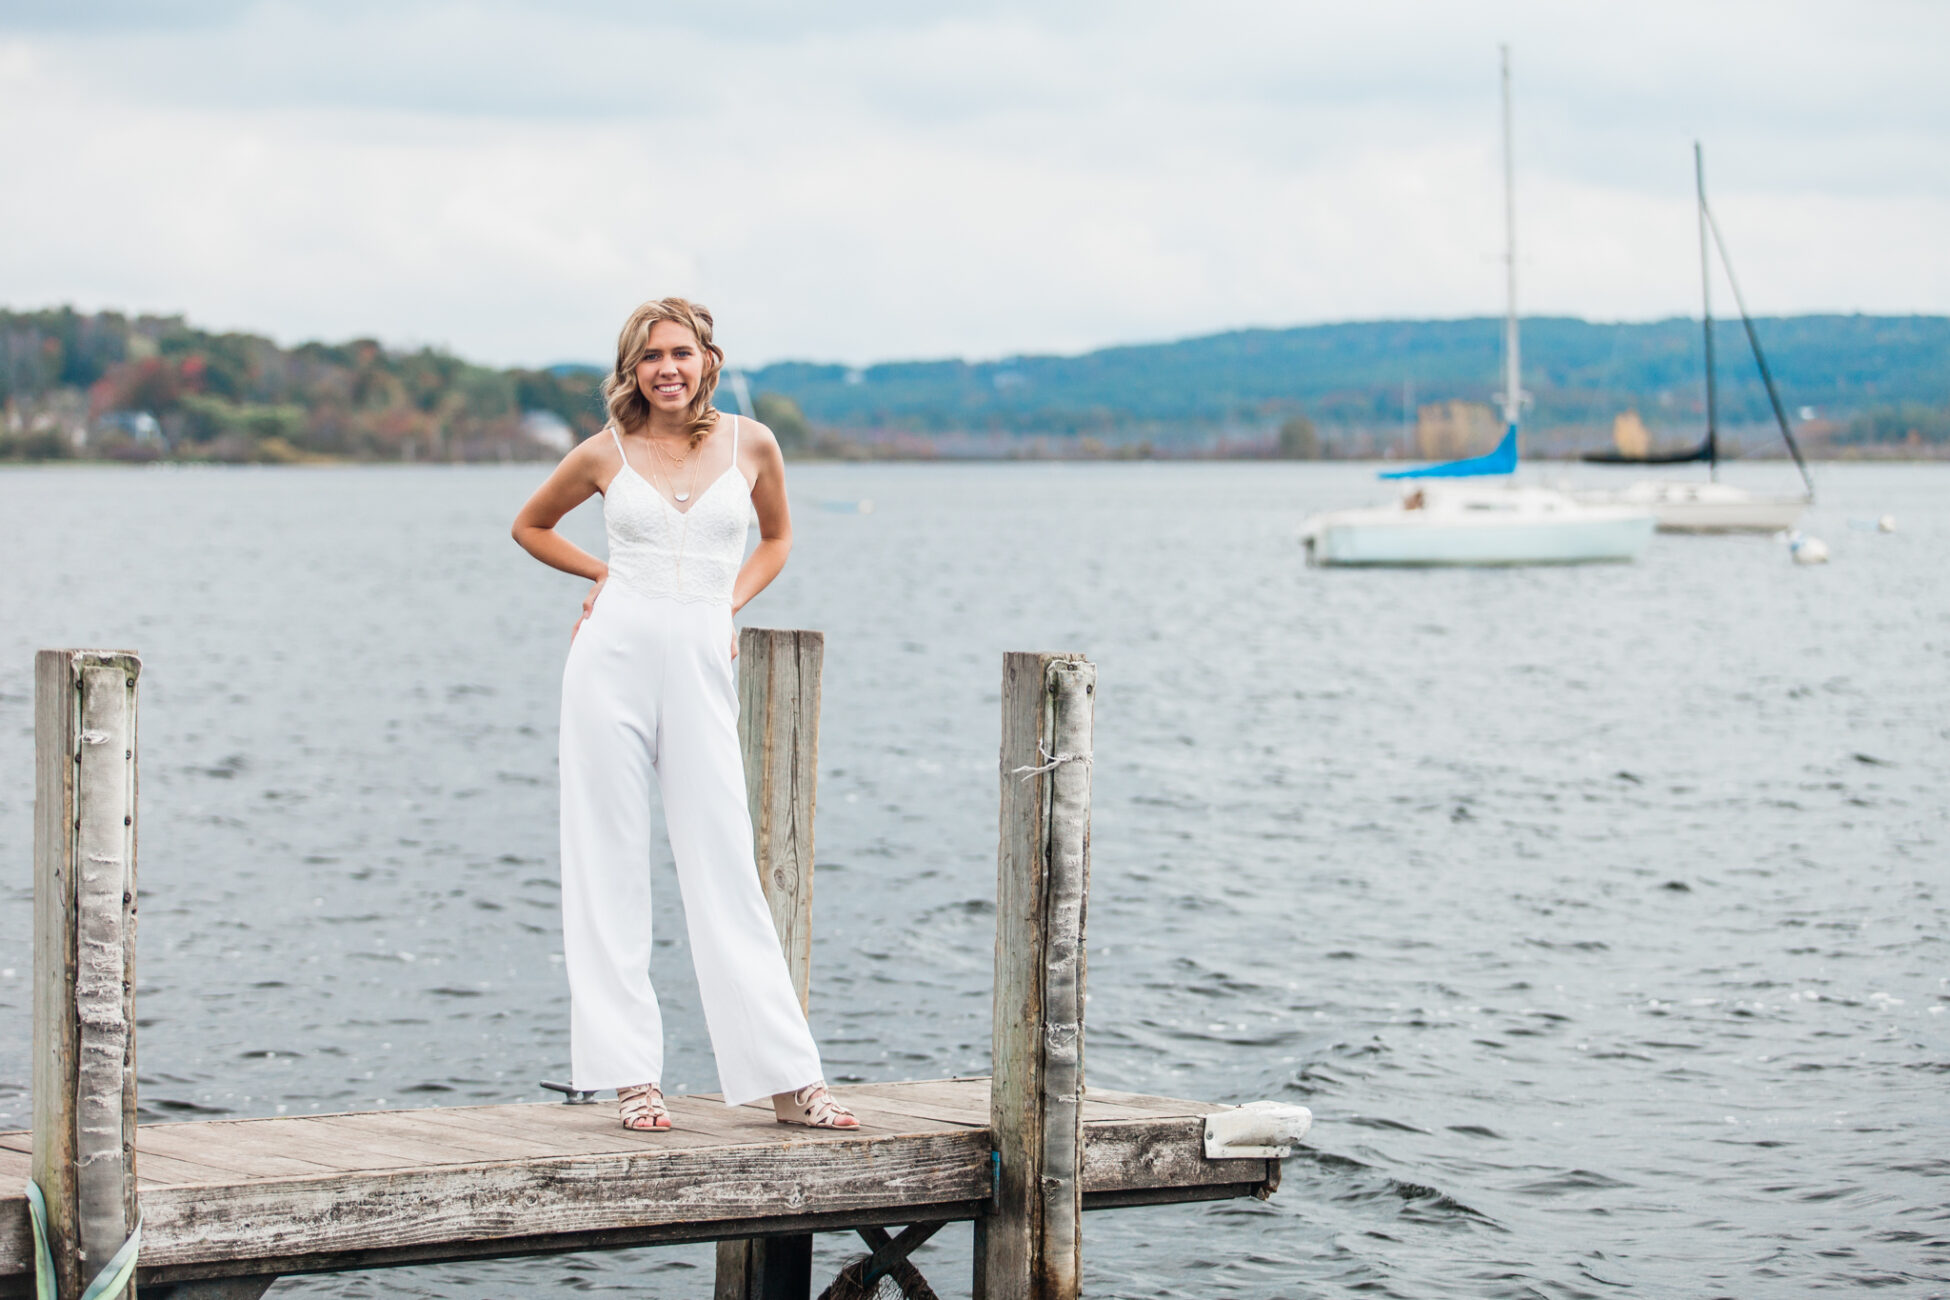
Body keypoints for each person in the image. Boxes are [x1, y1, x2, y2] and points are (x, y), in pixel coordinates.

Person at [511, 298, 856, 1133]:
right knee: (608, 864)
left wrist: (724, 606)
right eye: (649, 357)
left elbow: (775, 541)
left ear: (709, 359)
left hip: (702, 661)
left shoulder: (752, 443)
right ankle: (632, 1079)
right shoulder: (603, 453)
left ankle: (788, 1079)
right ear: (632, 371)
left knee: (724, 865)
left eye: (680, 352)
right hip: (609, 666)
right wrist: (601, 575)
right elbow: (529, 525)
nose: (666, 368)